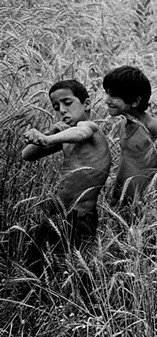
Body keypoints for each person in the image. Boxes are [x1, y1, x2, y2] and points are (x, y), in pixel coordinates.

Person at [21, 79, 112, 277]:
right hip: (60, 214)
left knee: (71, 271)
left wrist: (48, 139)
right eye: (56, 107)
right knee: (37, 265)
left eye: (67, 103)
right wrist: (50, 133)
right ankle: (36, 300)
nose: (62, 110)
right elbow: (27, 155)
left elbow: (81, 132)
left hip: (80, 217)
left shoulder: (91, 128)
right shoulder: (64, 138)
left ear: (86, 104)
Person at [102, 65, 157, 212]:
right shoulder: (123, 123)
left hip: (141, 203)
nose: (106, 100)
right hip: (119, 200)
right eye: (107, 93)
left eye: (114, 96)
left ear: (135, 101)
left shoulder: (151, 126)